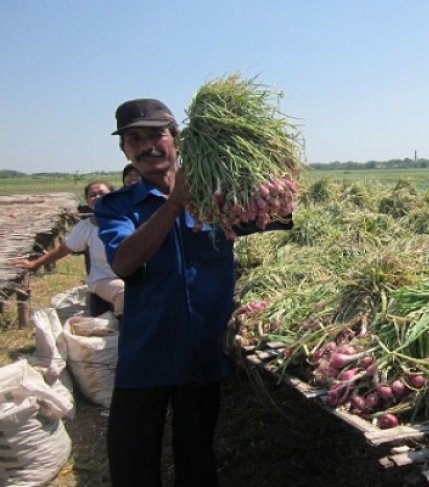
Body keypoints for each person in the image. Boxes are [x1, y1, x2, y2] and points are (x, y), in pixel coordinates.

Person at [94, 98, 293, 487]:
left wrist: (263, 169)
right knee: (132, 461)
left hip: (202, 356)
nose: (146, 145)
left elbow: (279, 216)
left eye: (156, 135)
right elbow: (124, 263)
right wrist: (174, 203)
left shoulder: (215, 200)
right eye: (134, 139)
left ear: (176, 140)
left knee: (198, 458)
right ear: (124, 150)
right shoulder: (116, 207)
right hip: (147, 356)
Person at [11, 181, 125, 316]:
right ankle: (124, 325)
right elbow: (63, 250)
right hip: (104, 279)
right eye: (92, 195)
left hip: (130, 275)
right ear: (88, 201)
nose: (97, 197)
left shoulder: (128, 220)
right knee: (123, 293)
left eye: (102, 193)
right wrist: (35, 264)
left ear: (113, 197)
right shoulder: (85, 228)